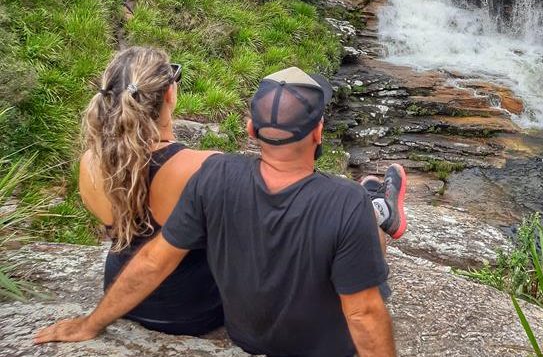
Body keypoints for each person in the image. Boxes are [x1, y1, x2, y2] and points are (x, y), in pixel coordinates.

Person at [37, 66, 407, 357]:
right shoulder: (345, 201)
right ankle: (381, 209)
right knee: (366, 229)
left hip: (245, 338)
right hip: (325, 349)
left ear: (250, 129)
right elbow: (363, 313)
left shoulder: (215, 175)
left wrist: (92, 322)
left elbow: (154, 261)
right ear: (318, 132)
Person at [78, 46, 224, 336]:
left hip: (119, 297)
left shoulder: (89, 162)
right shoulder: (204, 166)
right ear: (169, 94)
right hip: (192, 310)